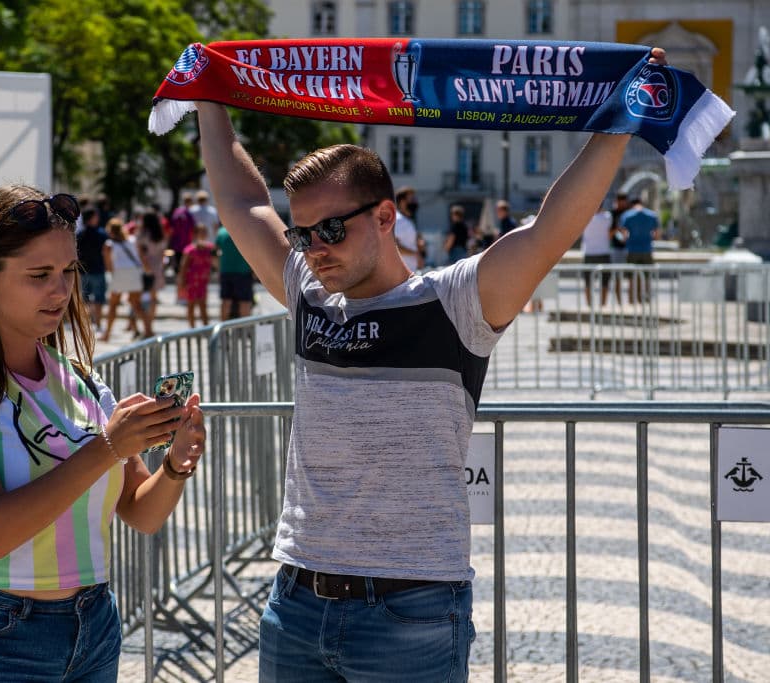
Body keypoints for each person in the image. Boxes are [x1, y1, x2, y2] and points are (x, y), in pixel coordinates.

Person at [194, 46, 665, 683]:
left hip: (410, 612)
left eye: (330, 229)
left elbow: (552, 228)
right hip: (297, 602)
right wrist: (208, 97)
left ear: (386, 217)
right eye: (303, 234)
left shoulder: (455, 302)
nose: (314, 249)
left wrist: (619, 120)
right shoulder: (307, 290)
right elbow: (242, 201)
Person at [0, 185, 205, 682]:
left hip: (93, 625)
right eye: (39, 275)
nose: (60, 292)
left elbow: (142, 512)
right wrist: (107, 447)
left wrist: (177, 463)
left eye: (68, 272)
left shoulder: (78, 378)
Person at [101, 217, 150, 341]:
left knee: (113, 305)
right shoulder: (132, 240)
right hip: (134, 272)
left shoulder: (109, 245)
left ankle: (107, 334)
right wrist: (147, 270)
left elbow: (109, 265)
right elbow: (141, 257)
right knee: (137, 304)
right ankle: (149, 330)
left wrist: (112, 277)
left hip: (120, 274)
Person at [620, 196, 659, 303]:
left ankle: (632, 301)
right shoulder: (652, 215)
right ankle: (645, 301)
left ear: (632, 205)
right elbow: (656, 235)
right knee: (646, 277)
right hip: (647, 249)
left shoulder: (627, 215)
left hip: (632, 249)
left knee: (631, 278)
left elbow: (624, 235)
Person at [177, 223, 216, 327]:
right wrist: (181, 281)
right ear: (195, 234)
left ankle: (206, 328)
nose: (203, 234)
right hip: (191, 281)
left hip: (203, 281)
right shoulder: (190, 250)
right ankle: (192, 329)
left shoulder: (210, 248)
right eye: (201, 232)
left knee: (203, 305)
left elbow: (215, 262)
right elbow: (183, 267)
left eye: (204, 232)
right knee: (191, 306)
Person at [75, 206, 108, 328]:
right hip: (98, 270)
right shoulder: (102, 234)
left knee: (85, 299)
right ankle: (98, 323)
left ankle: (87, 323)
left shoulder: (79, 234)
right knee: (99, 298)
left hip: (83, 271)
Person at [215, 223, 254, 320]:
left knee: (226, 302)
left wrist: (219, 269)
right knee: (245, 302)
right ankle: (245, 330)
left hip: (226, 271)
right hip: (244, 272)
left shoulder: (221, 232)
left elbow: (214, 254)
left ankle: (223, 330)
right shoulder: (248, 231)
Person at [137, 210, 168, 333]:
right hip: (158, 267)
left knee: (139, 298)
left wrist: (147, 268)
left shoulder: (143, 234)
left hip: (145, 268)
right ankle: (150, 323)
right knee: (153, 298)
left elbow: (141, 253)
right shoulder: (160, 234)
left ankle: (147, 326)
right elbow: (163, 252)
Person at [580, 208, 613, 307]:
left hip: (589, 252)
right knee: (605, 281)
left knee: (587, 282)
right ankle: (603, 305)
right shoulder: (607, 217)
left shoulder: (585, 217)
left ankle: (589, 305)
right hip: (604, 252)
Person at [393, 186, 423, 271]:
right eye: (412, 199)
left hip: (408, 271)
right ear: (402, 202)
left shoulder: (406, 220)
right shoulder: (398, 220)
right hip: (400, 274)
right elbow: (394, 246)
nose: (415, 201)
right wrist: (415, 254)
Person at [609, 191, 630, 303]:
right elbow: (609, 234)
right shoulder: (613, 214)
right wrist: (618, 229)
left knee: (632, 277)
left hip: (630, 248)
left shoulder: (629, 213)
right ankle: (619, 302)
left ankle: (631, 301)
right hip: (617, 248)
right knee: (617, 277)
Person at [168, 192, 196, 278]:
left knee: (178, 267)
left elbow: (171, 228)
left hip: (177, 243)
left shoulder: (176, 211)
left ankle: (178, 284)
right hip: (186, 243)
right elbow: (193, 228)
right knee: (186, 266)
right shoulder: (188, 213)